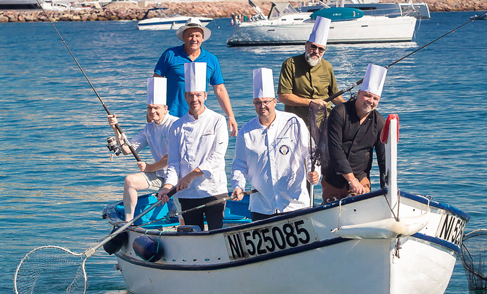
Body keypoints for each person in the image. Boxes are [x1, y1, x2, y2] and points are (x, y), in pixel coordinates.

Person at [230, 68, 319, 221]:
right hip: (262, 206)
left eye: (266, 102)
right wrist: (238, 186)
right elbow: (239, 164)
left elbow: (310, 152)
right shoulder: (246, 131)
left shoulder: (293, 122)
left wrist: (316, 171)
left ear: (274, 102)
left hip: (294, 203)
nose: (262, 106)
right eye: (258, 103)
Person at [158, 62, 229, 231]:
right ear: (185, 97)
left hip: (213, 190)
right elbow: (174, 162)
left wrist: (191, 176)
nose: (194, 99)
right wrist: (168, 186)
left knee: (216, 234)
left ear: (205, 95)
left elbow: (217, 157)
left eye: (198, 95)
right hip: (187, 194)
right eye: (190, 95)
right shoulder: (177, 126)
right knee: (193, 236)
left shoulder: (218, 120)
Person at [108, 76, 177, 222]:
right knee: (130, 181)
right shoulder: (149, 128)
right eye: (150, 108)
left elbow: (171, 156)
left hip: (178, 176)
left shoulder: (175, 125)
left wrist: (150, 167)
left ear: (165, 109)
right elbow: (127, 149)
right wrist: (115, 128)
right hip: (160, 175)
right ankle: (128, 222)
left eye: (156, 108)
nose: (153, 111)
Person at [153, 19, 238, 136]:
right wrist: (153, 111)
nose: (194, 39)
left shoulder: (211, 59)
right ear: (183, 37)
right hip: (171, 117)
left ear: (202, 38)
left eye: (197, 35)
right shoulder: (170, 55)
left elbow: (219, 89)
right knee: (169, 154)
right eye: (190, 35)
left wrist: (230, 115)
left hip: (198, 118)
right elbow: (156, 84)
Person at [321, 63, 388, 202]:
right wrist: (352, 180)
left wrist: (386, 190)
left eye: (375, 99)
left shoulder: (379, 121)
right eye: (367, 96)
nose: (370, 101)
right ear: (358, 94)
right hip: (333, 177)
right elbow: (335, 149)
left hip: (361, 177)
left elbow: (383, 159)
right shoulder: (339, 112)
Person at [277, 16, 342, 124]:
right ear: (306, 45)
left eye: (321, 49)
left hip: (324, 122)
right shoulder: (290, 64)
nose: (316, 51)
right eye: (313, 47)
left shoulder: (327, 66)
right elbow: (283, 97)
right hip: (298, 123)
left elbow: (334, 95)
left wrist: (349, 106)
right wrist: (310, 102)